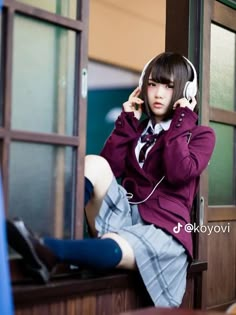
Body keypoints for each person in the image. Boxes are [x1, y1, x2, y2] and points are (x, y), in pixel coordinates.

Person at [7, 52, 215, 308]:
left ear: (187, 92)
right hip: (126, 215)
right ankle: (52, 232)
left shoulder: (200, 135)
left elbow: (178, 171)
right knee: (94, 162)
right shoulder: (137, 129)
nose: (159, 94)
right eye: (152, 84)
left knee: (118, 243)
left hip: (165, 230)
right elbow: (109, 167)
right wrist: (127, 122)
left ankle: (48, 249)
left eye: (169, 86)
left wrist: (182, 120)